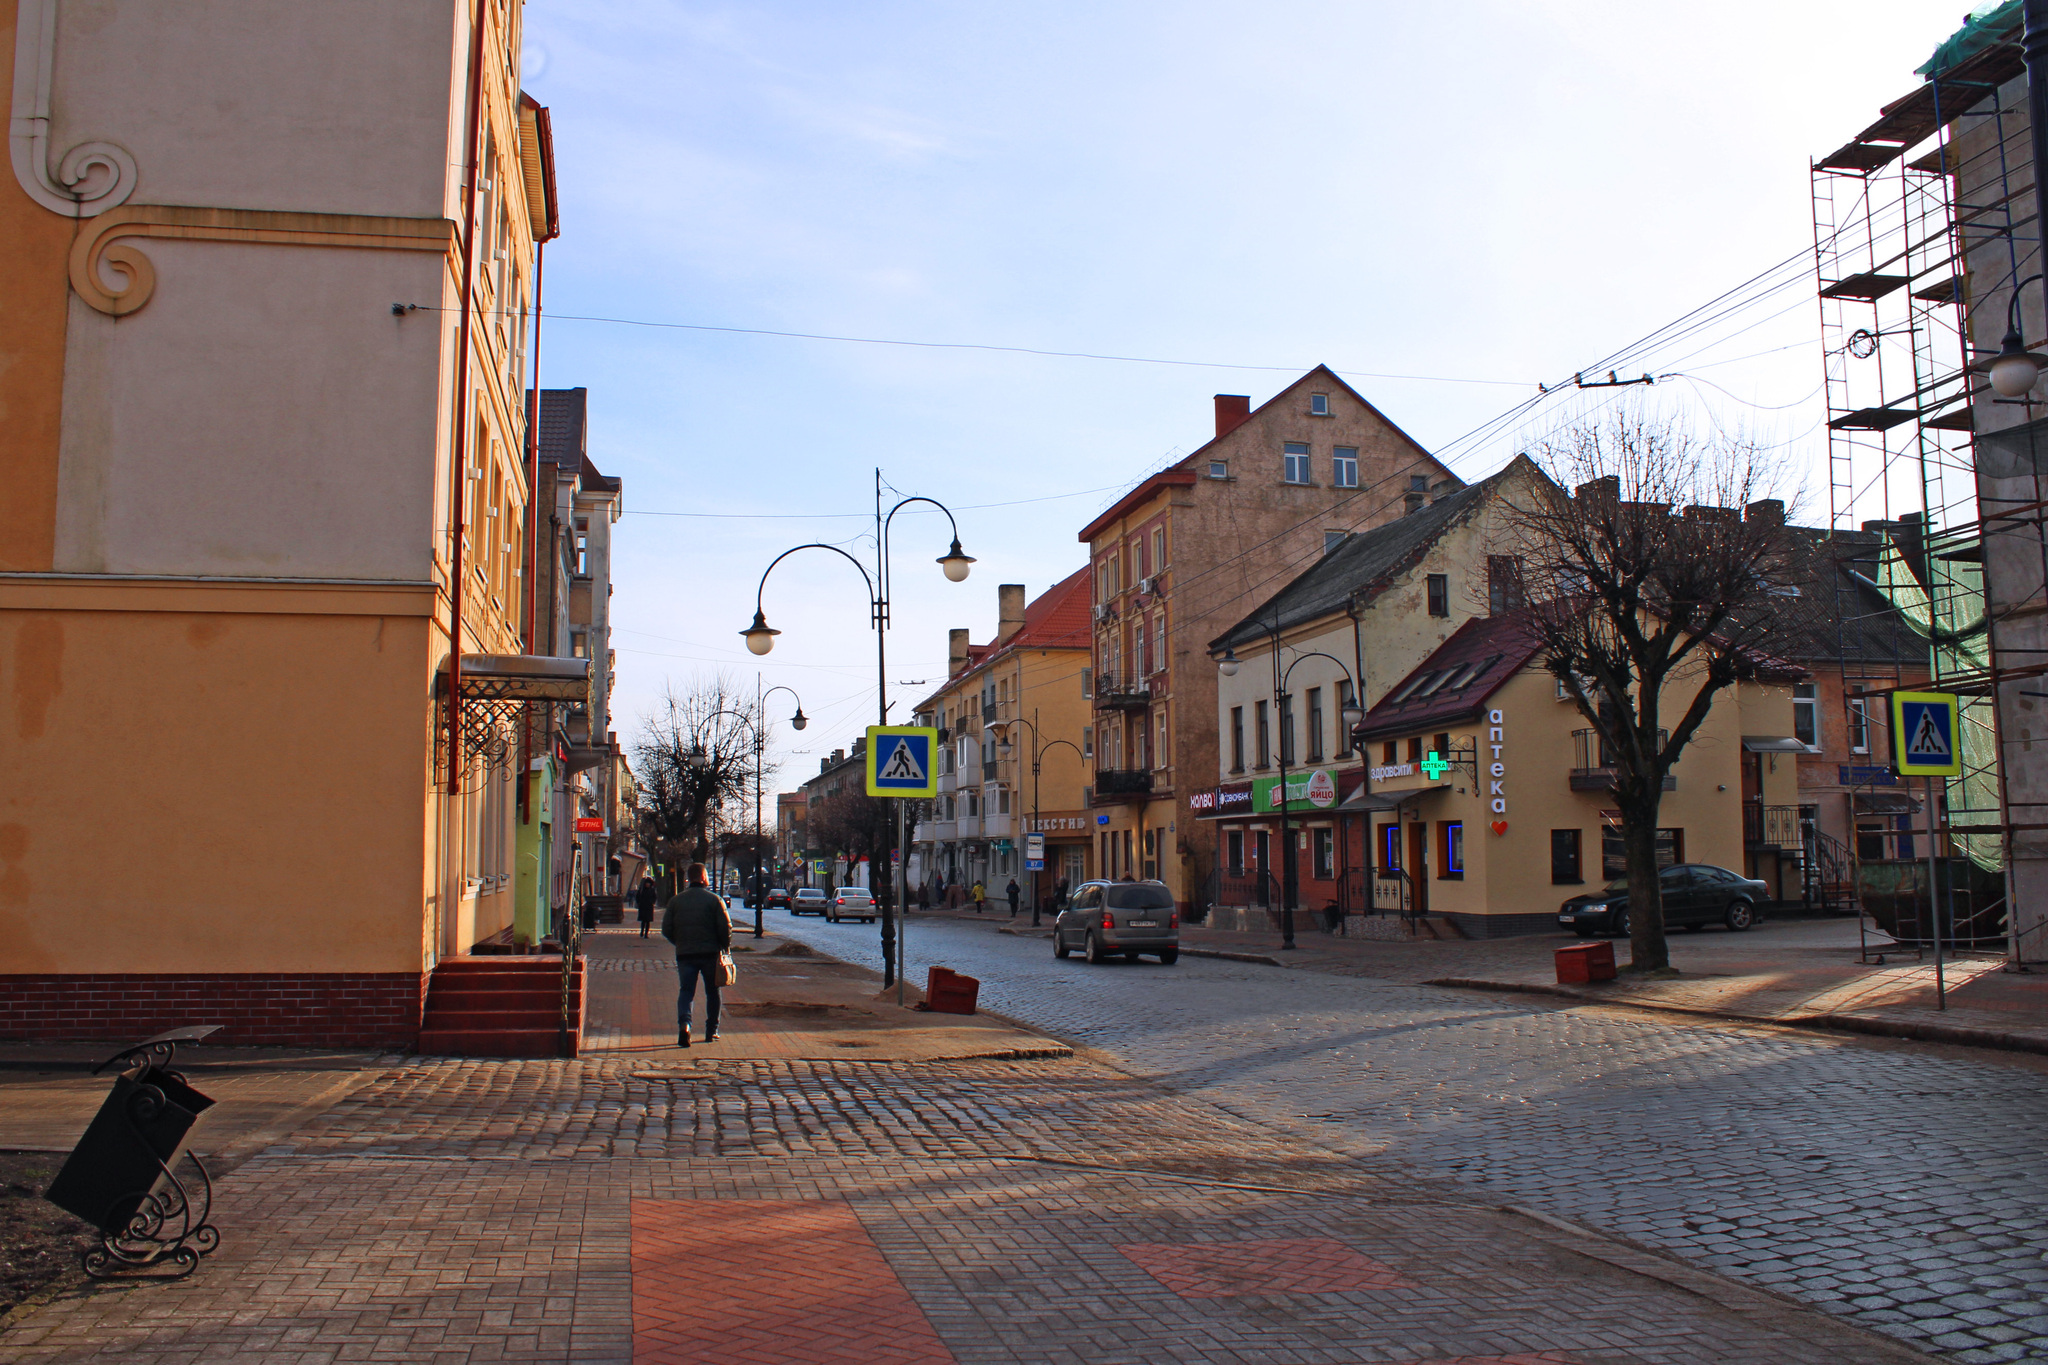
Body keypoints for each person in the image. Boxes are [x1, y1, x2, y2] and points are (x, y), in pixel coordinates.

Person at [660, 862, 732, 1047]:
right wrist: (724, 946)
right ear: (702, 877)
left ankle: (685, 1026)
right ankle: (712, 1030)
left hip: (685, 953)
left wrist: (680, 941)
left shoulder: (676, 901)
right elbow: (725, 927)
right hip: (710, 953)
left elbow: (666, 928)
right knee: (713, 991)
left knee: (686, 991)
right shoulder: (714, 900)